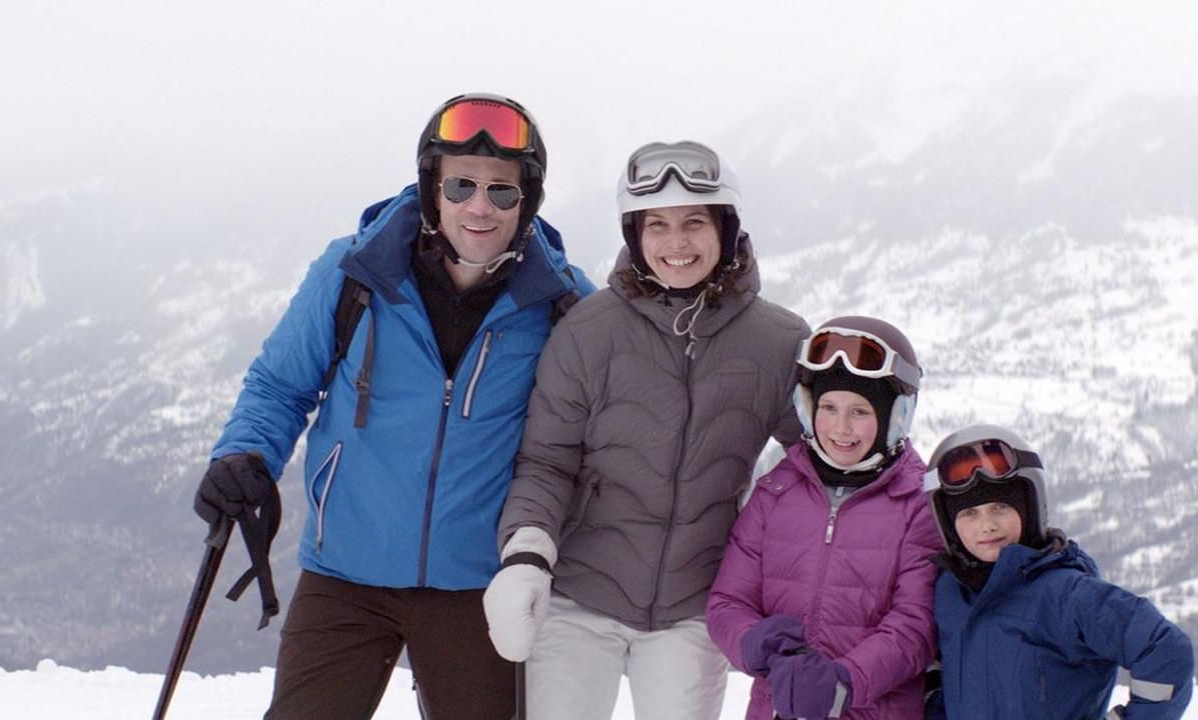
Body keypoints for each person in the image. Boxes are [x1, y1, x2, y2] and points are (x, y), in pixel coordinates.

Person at [191, 92, 592, 720]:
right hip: (346, 571)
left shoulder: (561, 306)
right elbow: (280, 385)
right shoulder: (355, 273)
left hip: (478, 583)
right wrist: (245, 454)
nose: (479, 207)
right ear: (433, 188)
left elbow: (594, 432)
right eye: (460, 185)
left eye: (502, 191)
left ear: (527, 200)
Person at [482, 140, 810, 719]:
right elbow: (547, 461)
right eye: (656, 225)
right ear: (634, 235)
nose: (675, 243)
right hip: (580, 594)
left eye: (694, 222)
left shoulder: (778, 342)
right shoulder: (589, 331)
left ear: (726, 228)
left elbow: (814, 467)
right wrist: (527, 554)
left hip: (694, 605)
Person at [707, 316, 943, 720]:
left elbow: (915, 625)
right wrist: (758, 644)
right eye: (829, 408)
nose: (841, 428)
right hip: (777, 708)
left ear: (895, 417)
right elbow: (728, 602)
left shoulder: (918, 505)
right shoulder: (776, 492)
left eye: (860, 412)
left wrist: (841, 682)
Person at [922, 424, 1194, 720]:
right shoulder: (949, 589)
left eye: (1000, 507)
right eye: (969, 513)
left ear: (1030, 508)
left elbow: (1164, 649)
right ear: (948, 525)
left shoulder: (1067, 594)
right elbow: (939, 667)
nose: (987, 525)